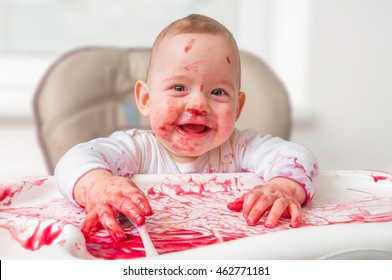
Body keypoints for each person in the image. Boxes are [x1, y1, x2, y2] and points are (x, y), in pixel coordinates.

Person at [55, 14, 319, 242]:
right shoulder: (137, 150)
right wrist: (100, 185)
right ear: (146, 99)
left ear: (237, 109)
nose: (198, 105)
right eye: (179, 88)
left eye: (217, 92)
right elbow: (73, 160)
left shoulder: (240, 149)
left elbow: (297, 157)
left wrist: (284, 187)